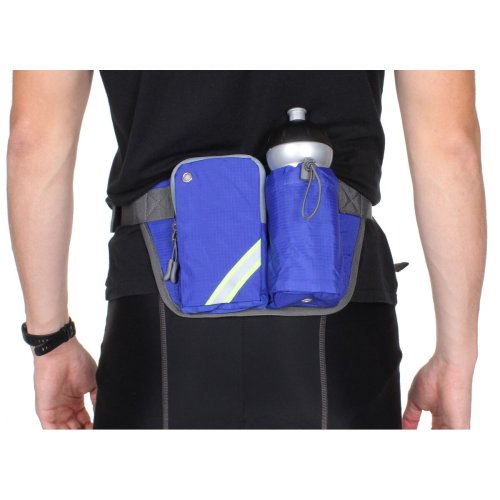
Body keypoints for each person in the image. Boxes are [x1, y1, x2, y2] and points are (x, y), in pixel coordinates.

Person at [7, 70, 485, 430]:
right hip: (338, 320)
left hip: (157, 322)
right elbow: (450, 147)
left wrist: (51, 342)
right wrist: (455, 359)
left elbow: (33, 142)